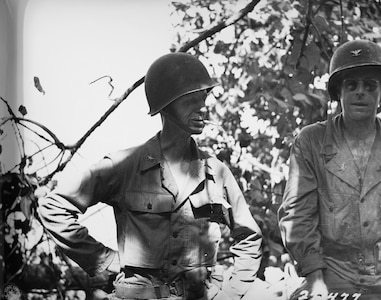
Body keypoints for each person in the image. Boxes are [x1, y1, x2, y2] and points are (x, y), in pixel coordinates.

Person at [37, 52, 263, 300]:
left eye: (203, 98)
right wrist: (103, 260)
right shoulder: (124, 166)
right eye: (190, 101)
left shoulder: (216, 172)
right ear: (165, 106)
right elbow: (53, 207)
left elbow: (249, 236)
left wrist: (233, 292)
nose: (202, 108)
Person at [278, 39, 381, 300]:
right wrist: (315, 279)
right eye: (351, 85)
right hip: (334, 273)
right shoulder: (312, 141)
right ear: (338, 93)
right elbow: (297, 215)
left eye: (370, 86)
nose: (361, 92)